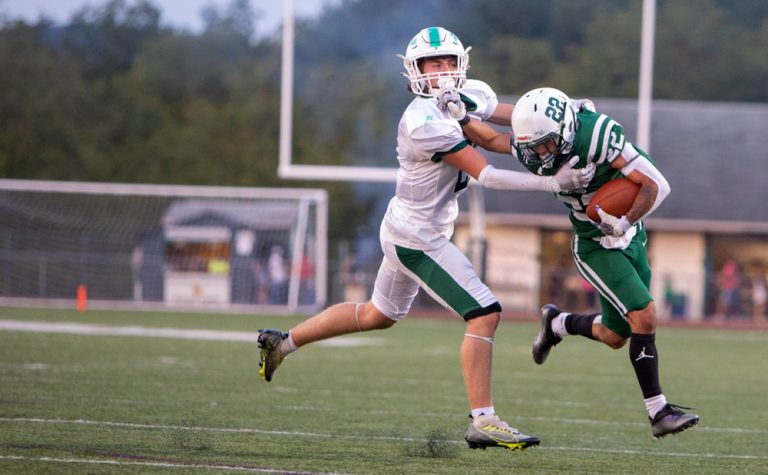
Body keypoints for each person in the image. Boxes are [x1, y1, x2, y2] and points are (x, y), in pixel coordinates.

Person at [256, 27, 594, 451]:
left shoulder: (469, 92)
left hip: (407, 226)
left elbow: (508, 120)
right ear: (414, 71)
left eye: (448, 62)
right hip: (418, 237)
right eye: (433, 64)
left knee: (379, 314)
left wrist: (561, 114)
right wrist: (553, 182)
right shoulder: (421, 121)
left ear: (461, 63)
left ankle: (281, 344)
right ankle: (483, 420)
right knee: (485, 312)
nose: (442, 72)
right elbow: (485, 168)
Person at [443, 86, 699, 439]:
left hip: (629, 232)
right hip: (595, 245)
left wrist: (622, 223)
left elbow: (658, 186)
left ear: (565, 128)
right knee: (645, 314)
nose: (539, 155)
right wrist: (462, 118)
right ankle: (659, 412)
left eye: (546, 144)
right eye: (534, 147)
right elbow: (492, 140)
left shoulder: (596, 135)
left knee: (615, 335)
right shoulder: (535, 145)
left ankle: (557, 323)